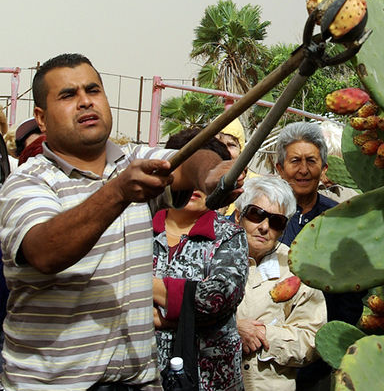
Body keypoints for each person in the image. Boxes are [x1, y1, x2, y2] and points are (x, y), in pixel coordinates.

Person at [0, 54, 243, 390]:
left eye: (93, 90)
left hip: (138, 381)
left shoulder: (134, 160)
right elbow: (45, 251)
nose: (85, 101)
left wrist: (212, 173)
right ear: (41, 118)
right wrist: (117, 193)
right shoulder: (27, 182)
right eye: (68, 95)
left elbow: (189, 159)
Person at [153, 128, 248, 390]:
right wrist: (185, 311)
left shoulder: (229, 236)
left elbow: (214, 298)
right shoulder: (139, 228)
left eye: (203, 175)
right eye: (186, 172)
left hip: (211, 382)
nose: (194, 185)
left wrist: (146, 291)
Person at [274, 122, 364, 389]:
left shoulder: (338, 218)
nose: (303, 170)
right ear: (280, 168)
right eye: (295, 161)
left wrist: (329, 346)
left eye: (311, 161)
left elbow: (351, 290)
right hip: (268, 349)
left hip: (320, 357)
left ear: (324, 169)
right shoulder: (263, 215)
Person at [235, 176, 326, 391]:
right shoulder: (211, 258)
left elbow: (312, 338)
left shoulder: (297, 270)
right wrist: (233, 331)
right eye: (256, 215)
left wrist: (264, 335)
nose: (264, 227)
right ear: (239, 215)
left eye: (276, 221)